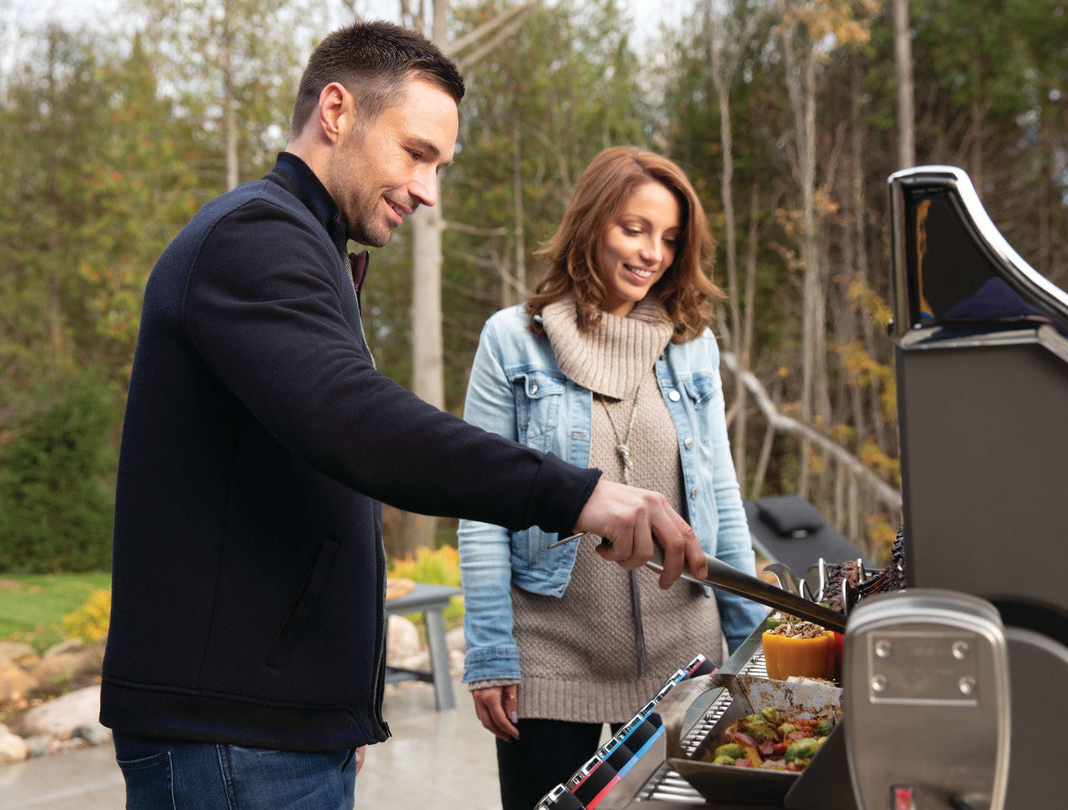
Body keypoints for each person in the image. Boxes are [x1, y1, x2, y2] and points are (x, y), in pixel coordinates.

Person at [100, 23, 708, 810]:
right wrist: (580, 493)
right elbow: (358, 426)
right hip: (232, 735)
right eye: (416, 153)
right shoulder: (252, 238)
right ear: (337, 110)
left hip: (279, 727)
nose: (428, 191)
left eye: (440, 166)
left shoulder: (306, 250)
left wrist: (338, 708)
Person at [457, 146, 765, 809]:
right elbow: (479, 506)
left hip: (683, 661)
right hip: (547, 658)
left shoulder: (693, 346)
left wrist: (752, 651)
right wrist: (490, 654)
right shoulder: (513, 340)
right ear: (592, 224)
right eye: (634, 228)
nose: (652, 251)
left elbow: (723, 503)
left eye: (670, 238)